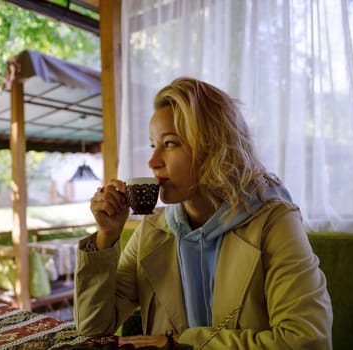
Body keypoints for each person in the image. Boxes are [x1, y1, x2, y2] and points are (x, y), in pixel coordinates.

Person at [74, 77, 333, 349]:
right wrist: (106, 235)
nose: (153, 162)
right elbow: (93, 327)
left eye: (170, 143)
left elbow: (307, 340)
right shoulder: (153, 230)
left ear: (214, 146)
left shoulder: (274, 223)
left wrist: (181, 344)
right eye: (153, 145)